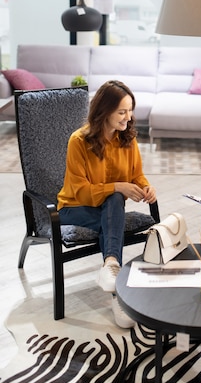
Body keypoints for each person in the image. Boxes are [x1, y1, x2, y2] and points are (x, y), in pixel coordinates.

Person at [57, 80, 157, 328]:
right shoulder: (78, 141)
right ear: (104, 111)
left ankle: (111, 266)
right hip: (74, 208)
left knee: (112, 208)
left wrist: (146, 187)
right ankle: (119, 297)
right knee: (113, 206)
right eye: (122, 112)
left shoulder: (127, 139)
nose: (128, 117)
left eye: (130, 110)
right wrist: (117, 187)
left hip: (108, 210)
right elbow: (79, 191)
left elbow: (136, 175)